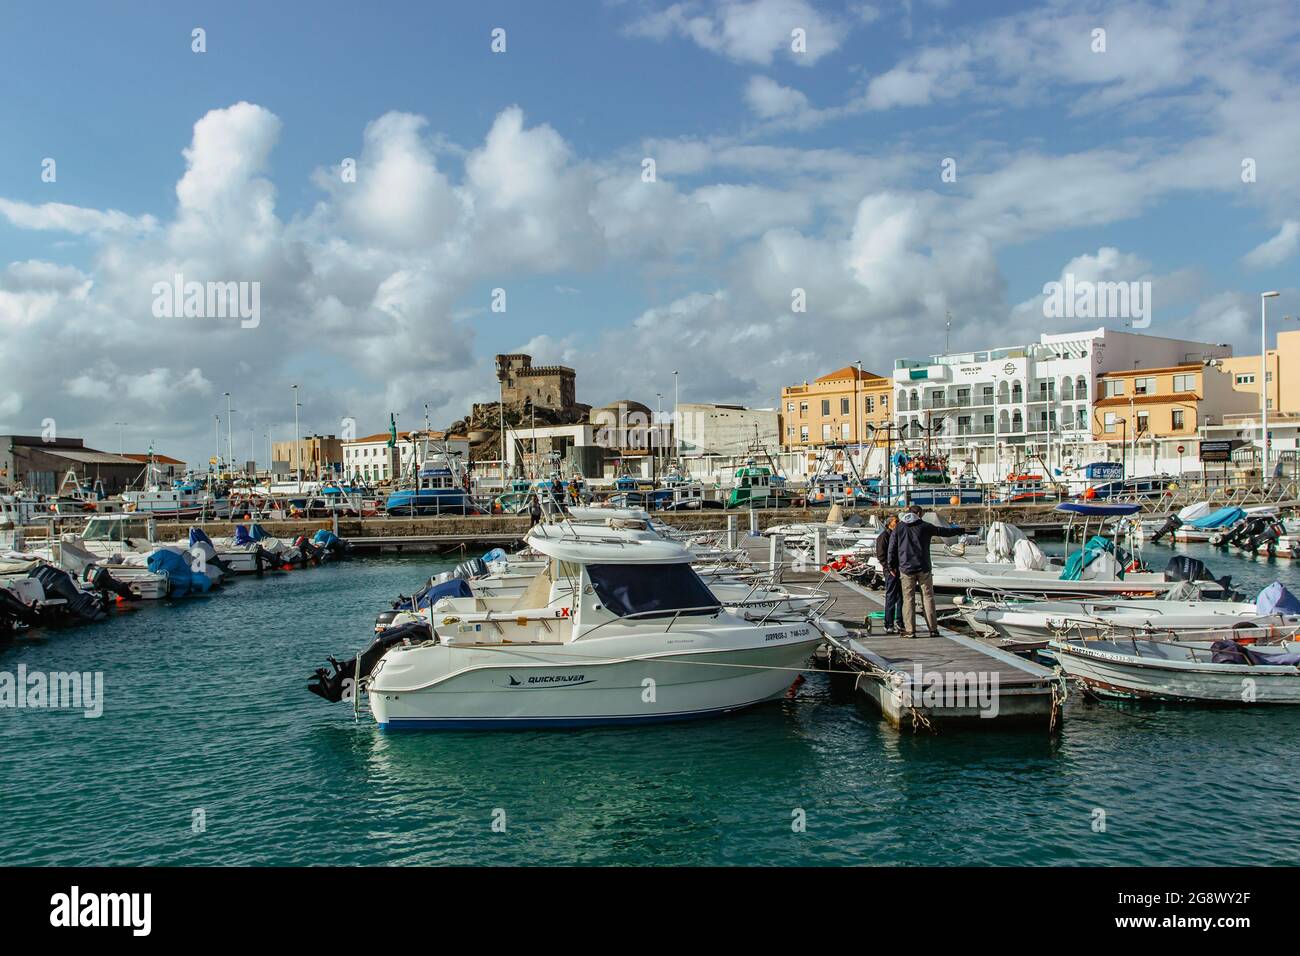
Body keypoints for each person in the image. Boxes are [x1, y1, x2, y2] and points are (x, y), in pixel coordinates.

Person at [886, 504, 965, 637]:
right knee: (928, 598)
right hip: (924, 567)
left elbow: (892, 548)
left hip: (906, 568)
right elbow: (943, 531)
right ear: (919, 514)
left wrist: (891, 566)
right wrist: (960, 530)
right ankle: (933, 630)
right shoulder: (925, 526)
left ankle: (910, 631)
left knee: (908, 599)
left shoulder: (899, 527)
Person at [874, 515, 902, 633]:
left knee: (901, 597)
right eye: (896, 521)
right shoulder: (884, 536)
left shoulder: (898, 535)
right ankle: (888, 623)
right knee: (891, 596)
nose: (898, 523)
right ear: (890, 523)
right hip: (890, 571)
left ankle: (900, 622)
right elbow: (881, 555)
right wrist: (889, 568)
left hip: (900, 569)